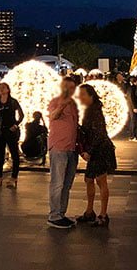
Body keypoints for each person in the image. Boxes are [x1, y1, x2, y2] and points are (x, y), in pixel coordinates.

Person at [76, 84, 116, 227]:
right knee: (89, 179)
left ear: (91, 96)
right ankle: (89, 211)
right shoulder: (89, 110)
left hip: (101, 150)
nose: (80, 97)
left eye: (83, 94)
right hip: (96, 149)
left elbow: (99, 134)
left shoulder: (95, 112)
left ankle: (103, 214)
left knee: (100, 180)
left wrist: (89, 151)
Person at [47, 74, 80, 229]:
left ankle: (61, 213)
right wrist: (62, 105)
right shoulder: (56, 101)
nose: (71, 90)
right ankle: (54, 215)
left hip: (71, 148)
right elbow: (53, 116)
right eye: (68, 87)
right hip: (59, 147)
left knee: (67, 184)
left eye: (73, 88)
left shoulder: (74, 104)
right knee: (57, 183)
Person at [0, 81, 23, 188]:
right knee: (0, 154)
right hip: (0, 131)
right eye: (0, 88)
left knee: (14, 153)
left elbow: (21, 115)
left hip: (10, 130)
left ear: (8, 90)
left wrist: (16, 125)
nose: (2, 90)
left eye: (3, 88)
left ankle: (14, 177)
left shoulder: (13, 102)